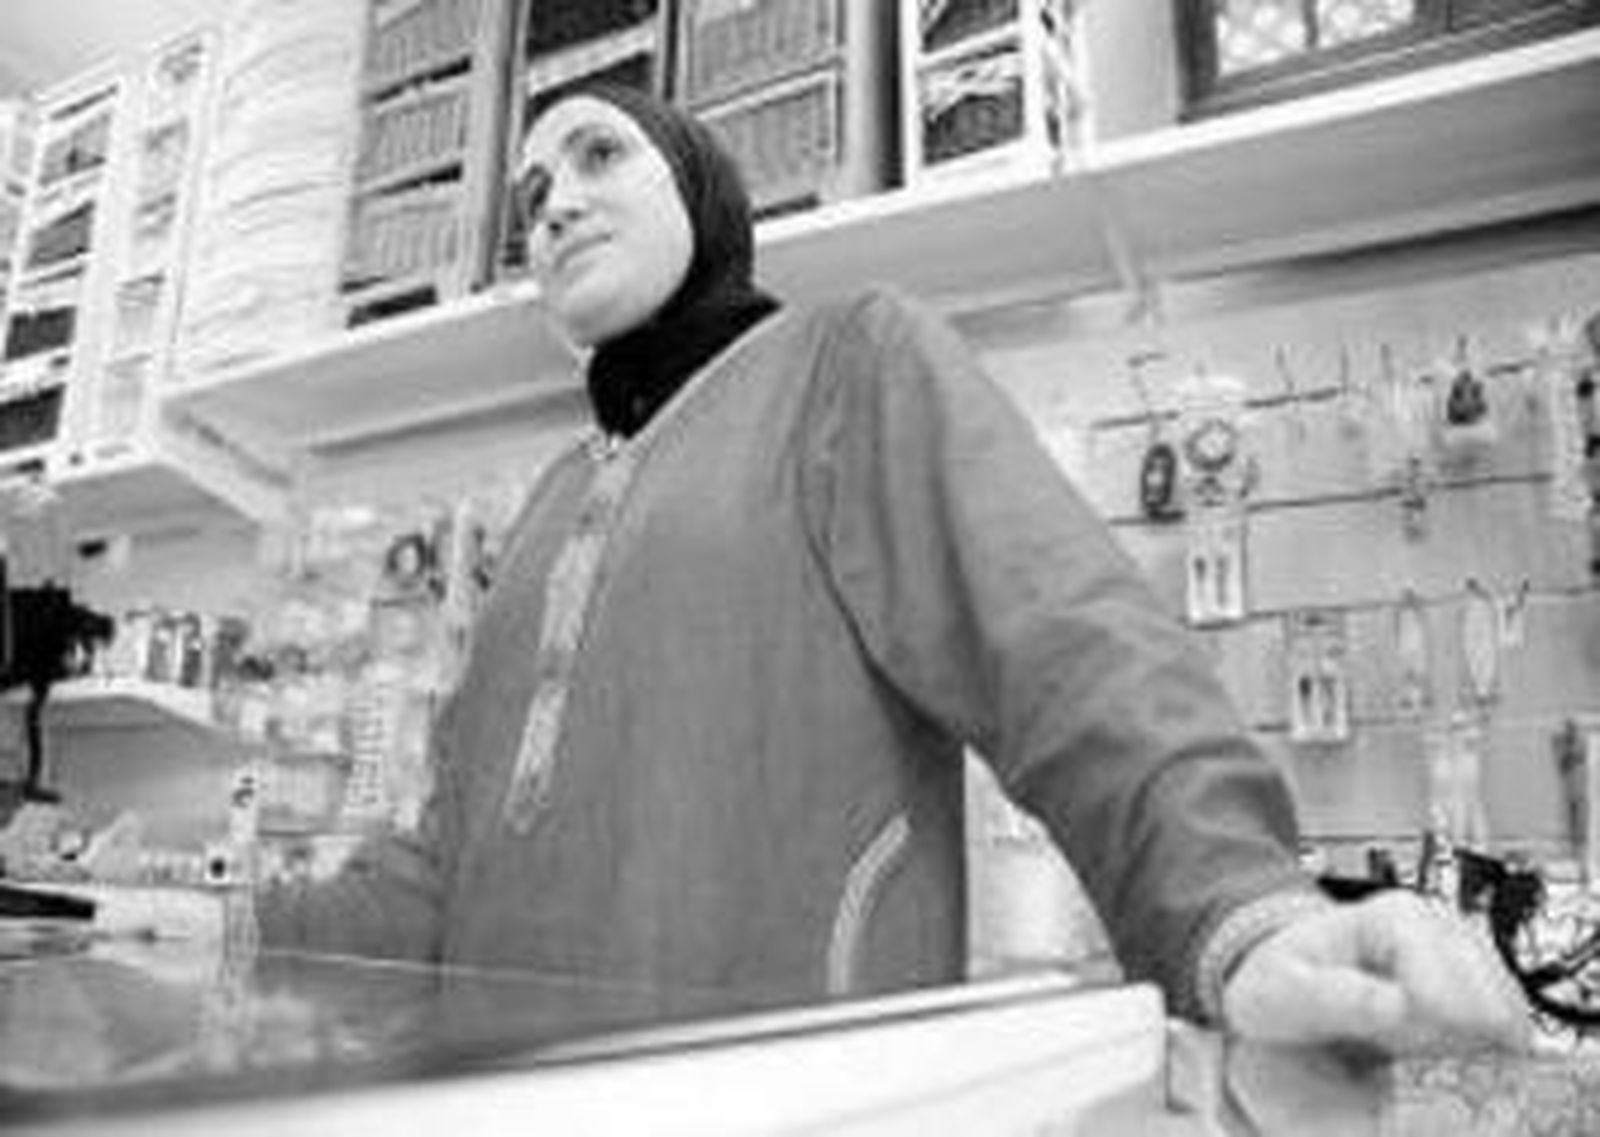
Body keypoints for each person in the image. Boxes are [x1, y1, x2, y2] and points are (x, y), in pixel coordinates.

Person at [116, 84, 1528, 1056]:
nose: (553, 206)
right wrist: (186, 926)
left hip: (798, 1097)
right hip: (508, 1102)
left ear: (704, 190)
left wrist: (1236, 912)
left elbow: (1066, 641)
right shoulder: (544, 510)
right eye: (532, 193)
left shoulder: (850, 362)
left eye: (599, 157)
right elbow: (439, 869)